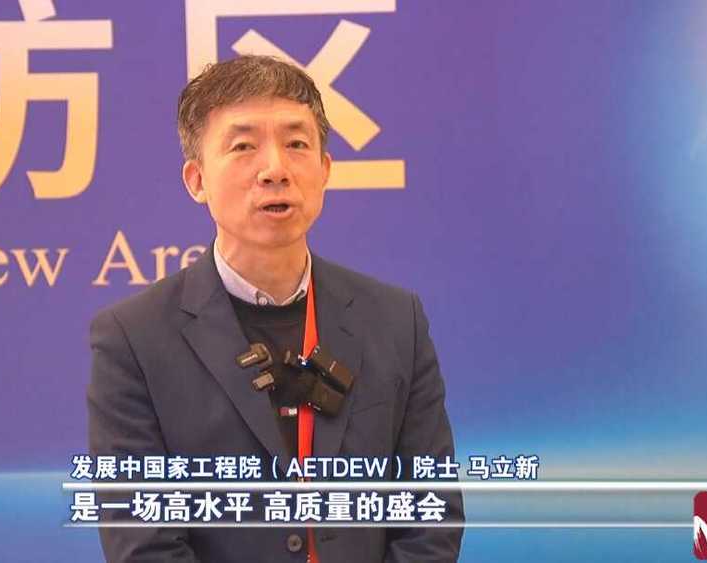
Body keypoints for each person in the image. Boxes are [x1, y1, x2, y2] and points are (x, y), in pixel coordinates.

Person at [87, 55, 463, 562]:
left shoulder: (396, 321)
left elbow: (431, 517)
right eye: (243, 146)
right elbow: (142, 541)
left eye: (296, 144)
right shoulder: (133, 338)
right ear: (197, 180)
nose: (275, 170)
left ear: (325, 170)